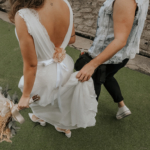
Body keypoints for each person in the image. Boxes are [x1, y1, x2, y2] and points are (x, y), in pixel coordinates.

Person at [9, 0, 98, 138]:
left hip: (42, 74)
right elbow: (72, 39)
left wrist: (25, 96)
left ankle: (41, 117)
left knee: (39, 98)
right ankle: (61, 125)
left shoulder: (23, 15)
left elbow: (31, 64)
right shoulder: (64, 3)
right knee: (60, 96)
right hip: (65, 64)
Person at [76, 0, 149, 119]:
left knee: (94, 83)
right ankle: (122, 106)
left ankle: (85, 116)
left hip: (108, 56)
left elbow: (120, 40)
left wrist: (92, 64)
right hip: (122, 55)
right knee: (107, 76)